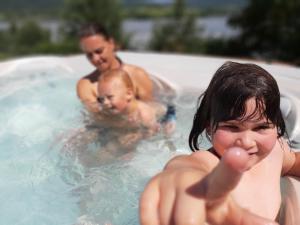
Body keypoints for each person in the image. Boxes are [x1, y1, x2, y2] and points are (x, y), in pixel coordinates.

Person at [139, 61, 300, 225]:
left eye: (261, 127)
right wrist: (181, 179)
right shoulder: (211, 164)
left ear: (277, 126)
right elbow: (185, 168)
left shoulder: (275, 153)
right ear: (209, 127)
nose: (246, 141)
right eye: (232, 127)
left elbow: (294, 161)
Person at [76, 23, 176, 135]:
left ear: (111, 43)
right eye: (89, 55)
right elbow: (98, 119)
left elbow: (152, 108)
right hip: (109, 131)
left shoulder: (137, 74)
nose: (95, 59)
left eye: (99, 51)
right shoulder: (86, 85)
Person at [95, 68, 166, 146]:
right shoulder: (107, 112)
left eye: (110, 97)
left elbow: (153, 132)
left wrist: (138, 136)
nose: (105, 103)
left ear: (128, 94)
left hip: (163, 113)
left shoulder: (144, 114)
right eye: (101, 99)